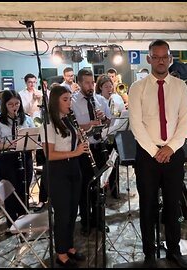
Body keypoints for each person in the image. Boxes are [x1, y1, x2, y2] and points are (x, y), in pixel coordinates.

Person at [129, 39, 187, 268]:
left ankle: (174, 250)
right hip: (147, 155)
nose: (160, 60)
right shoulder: (137, 88)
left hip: (173, 153)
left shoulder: (180, 86)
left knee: (173, 205)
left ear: (170, 58)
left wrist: (170, 148)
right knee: (147, 206)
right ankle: (149, 254)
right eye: (156, 57)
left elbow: (185, 122)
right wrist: (155, 151)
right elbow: (136, 124)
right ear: (149, 59)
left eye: (164, 56)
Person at [40, 86, 89, 267]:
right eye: (65, 100)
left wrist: (80, 142)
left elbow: (72, 143)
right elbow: (49, 155)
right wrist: (76, 152)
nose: (69, 103)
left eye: (70, 99)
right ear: (55, 101)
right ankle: (61, 253)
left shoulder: (68, 120)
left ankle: (68, 246)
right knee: (62, 214)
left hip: (72, 169)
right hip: (56, 172)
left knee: (72, 212)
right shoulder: (48, 124)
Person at [72, 69, 112, 236]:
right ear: (80, 83)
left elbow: (110, 122)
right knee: (84, 187)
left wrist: (103, 119)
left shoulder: (100, 100)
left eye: (92, 83)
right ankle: (86, 222)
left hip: (99, 148)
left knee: (99, 186)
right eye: (87, 83)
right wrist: (89, 125)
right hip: (83, 150)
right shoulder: (73, 101)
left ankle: (99, 219)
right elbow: (71, 128)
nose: (90, 86)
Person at [0, 90, 35, 228]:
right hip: (7, 159)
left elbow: (33, 137)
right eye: (10, 104)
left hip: (24, 157)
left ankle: (24, 220)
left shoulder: (26, 119)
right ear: (5, 105)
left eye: (17, 103)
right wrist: (8, 145)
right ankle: (11, 221)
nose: (14, 107)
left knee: (24, 188)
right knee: (10, 191)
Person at [95, 74, 124, 199]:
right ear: (100, 87)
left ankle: (114, 188)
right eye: (106, 86)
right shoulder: (97, 100)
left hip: (114, 134)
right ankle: (101, 189)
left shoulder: (117, 98)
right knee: (103, 163)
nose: (109, 88)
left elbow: (122, 114)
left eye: (111, 86)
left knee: (114, 163)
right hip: (102, 136)